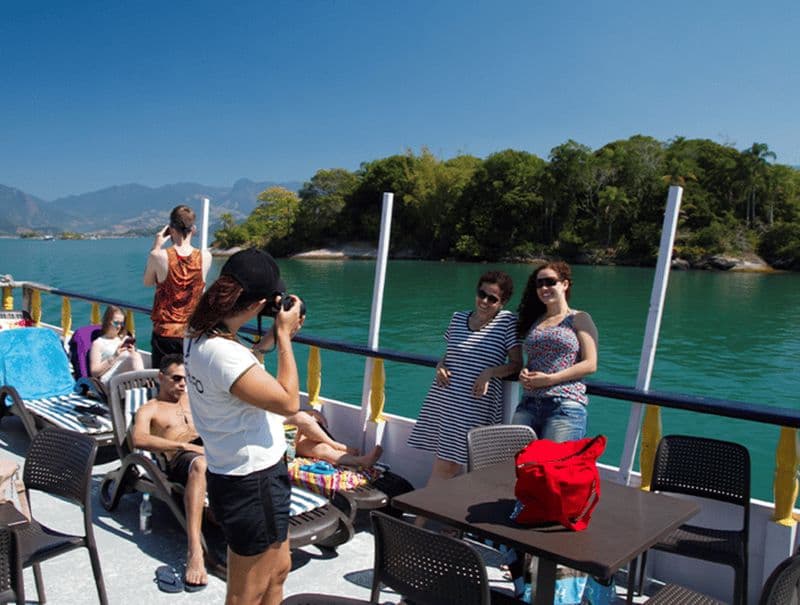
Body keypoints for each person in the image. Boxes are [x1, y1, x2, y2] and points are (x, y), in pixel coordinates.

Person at [183, 248, 303, 605]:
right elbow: (289, 402)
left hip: (246, 473)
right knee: (246, 593)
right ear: (259, 304)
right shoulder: (224, 354)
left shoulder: (198, 332)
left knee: (279, 570)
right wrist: (283, 336)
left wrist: (264, 344)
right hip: (253, 481)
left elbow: (236, 372)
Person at [407, 270, 522, 489]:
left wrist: (489, 373)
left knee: (460, 466)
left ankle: (425, 509)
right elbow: (451, 354)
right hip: (446, 398)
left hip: (475, 404)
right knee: (446, 464)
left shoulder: (507, 323)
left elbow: (516, 364)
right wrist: (440, 365)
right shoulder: (458, 318)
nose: (484, 301)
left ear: (503, 302)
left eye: (492, 298)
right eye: (482, 294)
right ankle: (428, 509)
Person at [131, 354, 207, 591]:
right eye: (176, 378)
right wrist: (184, 446)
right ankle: (194, 550)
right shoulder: (150, 408)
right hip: (181, 457)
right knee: (200, 465)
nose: (183, 384)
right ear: (160, 377)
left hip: (209, 447)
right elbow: (138, 438)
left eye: (186, 379)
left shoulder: (194, 400)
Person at [513, 261, 599, 442]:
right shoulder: (536, 321)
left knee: (554, 460)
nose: (544, 287)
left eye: (550, 282)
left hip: (563, 406)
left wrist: (550, 379)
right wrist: (524, 373)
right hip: (528, 403)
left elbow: (590, 364)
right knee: (517, 459)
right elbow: (535, 359)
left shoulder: (579, 318)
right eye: (539, 283)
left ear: (564, 284)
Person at [144, 204, 212, 370]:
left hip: (165, 334)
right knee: (189, 379)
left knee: (164, 379)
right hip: (191, 333)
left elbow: (148, 281)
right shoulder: (205, 257)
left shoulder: (158, 256)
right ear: (193, 229)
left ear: (171, 229)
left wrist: (156, 246)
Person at [287, 409, 383, 468]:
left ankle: (361, 461)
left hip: (285, 447)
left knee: (322, 448)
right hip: (280, 454)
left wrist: (310, 412)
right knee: (300, 418)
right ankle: (335, 445)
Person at [89, 305, 144, 387]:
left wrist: (132, 351)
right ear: (107, 321)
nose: (119, 327)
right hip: (108, 379)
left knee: (135, 355)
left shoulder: (124, 338)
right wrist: (114, 356)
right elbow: (94, 372)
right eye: (116, 323)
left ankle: (142, 384)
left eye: (121, 323)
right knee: (134, 357)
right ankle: (144, 384)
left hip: (125, 377)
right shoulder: (98, 343)